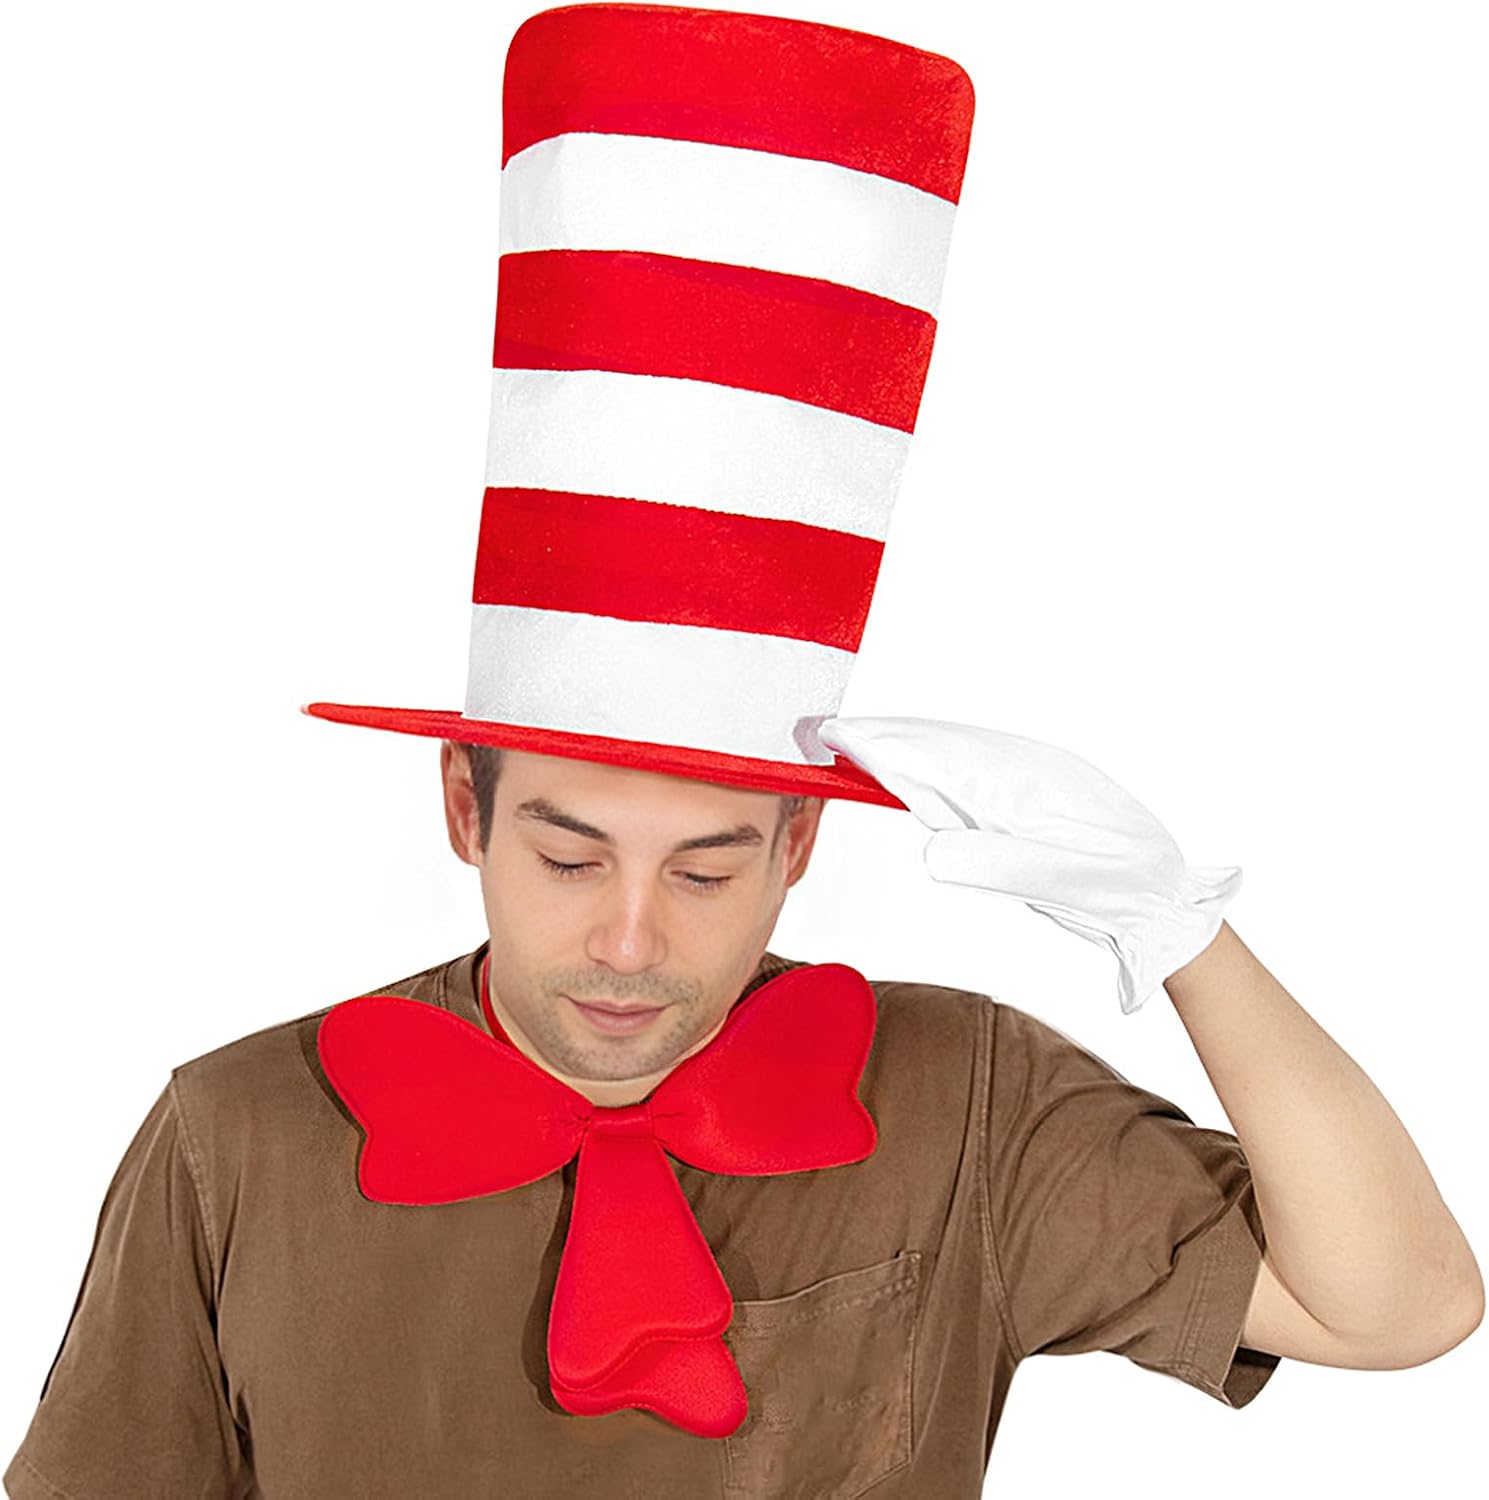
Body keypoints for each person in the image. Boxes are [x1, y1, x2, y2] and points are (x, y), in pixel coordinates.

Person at [5, 4, 1483, 1497]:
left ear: (798, 845)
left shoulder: (959, 1101)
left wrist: (1183, 933)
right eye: (567, 857)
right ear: (463, 806)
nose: (628, 940)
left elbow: (1399, 1310)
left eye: (706, 871)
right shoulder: (235, 1137)